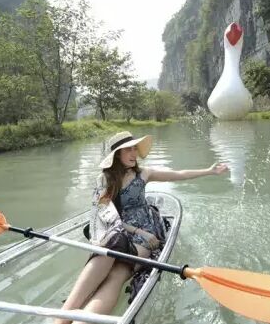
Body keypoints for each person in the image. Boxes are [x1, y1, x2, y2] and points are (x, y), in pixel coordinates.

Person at [55, 131, 228, 324]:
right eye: (128, 150)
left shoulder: (144, 174)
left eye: (134, 148)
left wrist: (209, 171)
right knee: (111, 246)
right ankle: (62, 319)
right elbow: (104, 216)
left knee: (117, 274)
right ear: (117, 156)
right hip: (118, 233)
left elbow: (178, 175)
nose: (133, 153)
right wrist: (135, 230)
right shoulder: (105, 181)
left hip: (145, 237)